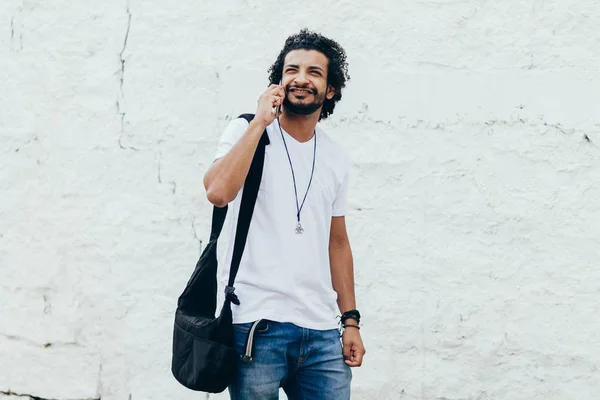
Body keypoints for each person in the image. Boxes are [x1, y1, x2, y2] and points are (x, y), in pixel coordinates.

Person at [203, 28, 365, 400]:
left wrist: (350, 321)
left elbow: (337, 242)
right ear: (279, 80)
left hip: (322, 331)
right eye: (291, 69)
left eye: (314, 72)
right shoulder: (246, 130)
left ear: (330, 90)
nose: (301, 79)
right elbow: (217, 192)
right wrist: (261, 122)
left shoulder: (335, 156)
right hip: (256, 327)